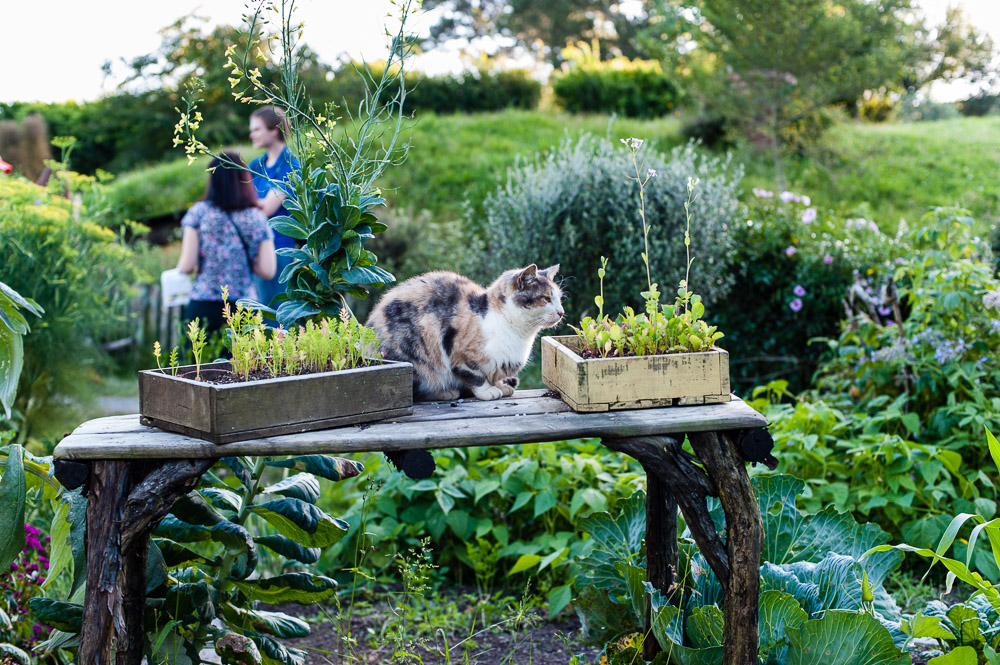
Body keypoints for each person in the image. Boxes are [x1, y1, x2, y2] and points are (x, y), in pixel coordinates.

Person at [176, 150, 277, 333]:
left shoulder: (199, 213)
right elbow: (268, 271)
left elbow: (187, 265)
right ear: (244, 180)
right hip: (245, 309)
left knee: (199, 361)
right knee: (245, 362)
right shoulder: (256, 217)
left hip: (204, 307)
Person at [249, 106, 300, 308]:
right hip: (254, 249)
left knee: (275, 316)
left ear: (274, 130)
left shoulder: (291, 165)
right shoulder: (255, 165)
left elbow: (268, 207)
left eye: (257, 129)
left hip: (278, 250)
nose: (252, 134)